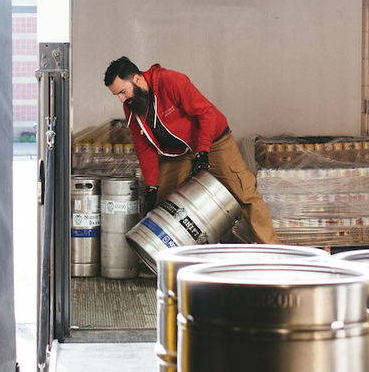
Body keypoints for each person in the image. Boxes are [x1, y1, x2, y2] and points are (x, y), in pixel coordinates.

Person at [103, 56, 278, 244]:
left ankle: (275, 253)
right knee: (164, 200)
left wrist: (203, 151)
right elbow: (143, 146)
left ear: (137, 79)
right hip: (178, 152)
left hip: (214, 142)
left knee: (244, 193)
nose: (121, 99)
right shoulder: (132, 104)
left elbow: (206, 113)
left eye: (122, 92)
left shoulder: (171, 81)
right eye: (117, 95)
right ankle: (162, 257)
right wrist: (152, 186)